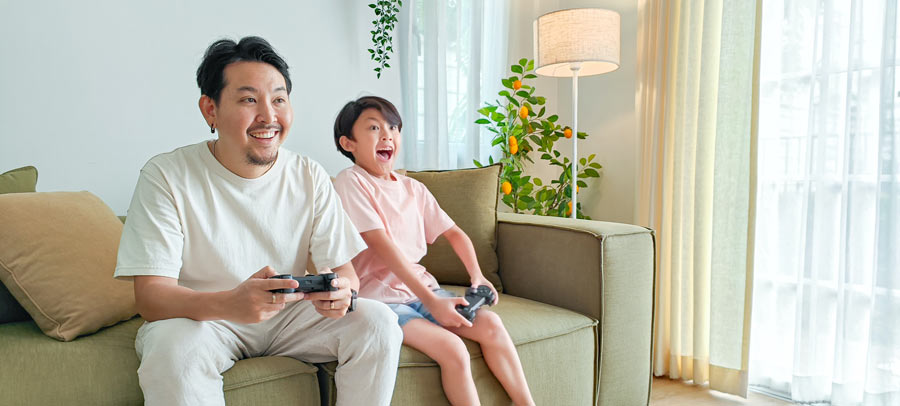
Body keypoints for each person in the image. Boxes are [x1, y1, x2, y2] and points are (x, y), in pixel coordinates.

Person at [114, 37, 402, 406]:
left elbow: (347, 274)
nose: (269, 116)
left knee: (377, 321)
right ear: (210, 109)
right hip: (204, 319)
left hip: (291, 317)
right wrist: (231, 304)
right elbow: (151, 298)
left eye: (279, 99)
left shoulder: (308, 174)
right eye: (249, 100)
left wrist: (341, 292)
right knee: (174, 350)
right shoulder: (166, 175)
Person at [331, 96, 536, 406]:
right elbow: (382, 246)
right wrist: (431, 302)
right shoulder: (351, 182)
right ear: (349, 143)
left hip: (422, 289)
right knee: (452, 349)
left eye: (393, 127)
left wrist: (477, 275)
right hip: (382, 302)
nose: (387, 135)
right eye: (373, 128)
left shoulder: (413, 187)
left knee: (492, 325)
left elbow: (454, 234)